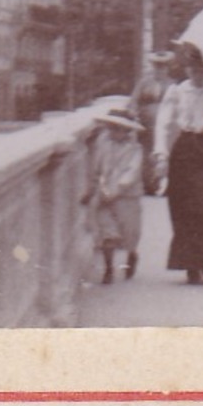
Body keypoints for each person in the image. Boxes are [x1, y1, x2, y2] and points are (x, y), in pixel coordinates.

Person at [153, 43, 203, 285]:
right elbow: (163, 123)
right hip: (185, 151)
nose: (197, 73)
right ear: (186, 69)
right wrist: (161, 154)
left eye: (202, 68)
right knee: (186, 208)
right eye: (192, 68)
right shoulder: (177, 92)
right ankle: (191, 263)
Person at [84, 107, 146, 284]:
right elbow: (95, 169)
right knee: (107, 233)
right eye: (111, 128)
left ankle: (131, 255)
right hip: (105, 194)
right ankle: (108, 268)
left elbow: (131, 173)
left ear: (127, 131)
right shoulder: (103, 146)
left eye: (118, 129)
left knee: (129, 233)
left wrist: (117, 190)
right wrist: (93, 189)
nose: (114, 132)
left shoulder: (135, 149)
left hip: (127, 196)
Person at [129, 49, 175, 194]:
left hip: (166, 125)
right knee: (146, 152)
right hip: (146, 124)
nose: (159, 69)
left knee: (164, 152)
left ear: (167, 68)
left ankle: (165, 183)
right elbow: (134, 101)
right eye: (157, 66)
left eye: (163, 66)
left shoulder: (172, 85)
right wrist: (133, 113)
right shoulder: (144, 83)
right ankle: (149, 184)